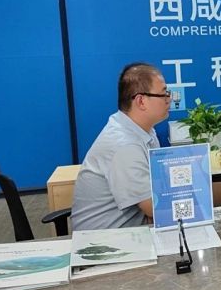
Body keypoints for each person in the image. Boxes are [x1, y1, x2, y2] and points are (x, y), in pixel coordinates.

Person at [72, 63, 170, 231]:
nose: (169, 98)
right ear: (141, 101)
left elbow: (159, 186)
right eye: (164, 94)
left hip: (132, 229)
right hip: (105, 240)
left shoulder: (144, 131)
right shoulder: (124, 145)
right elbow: (154, 208)